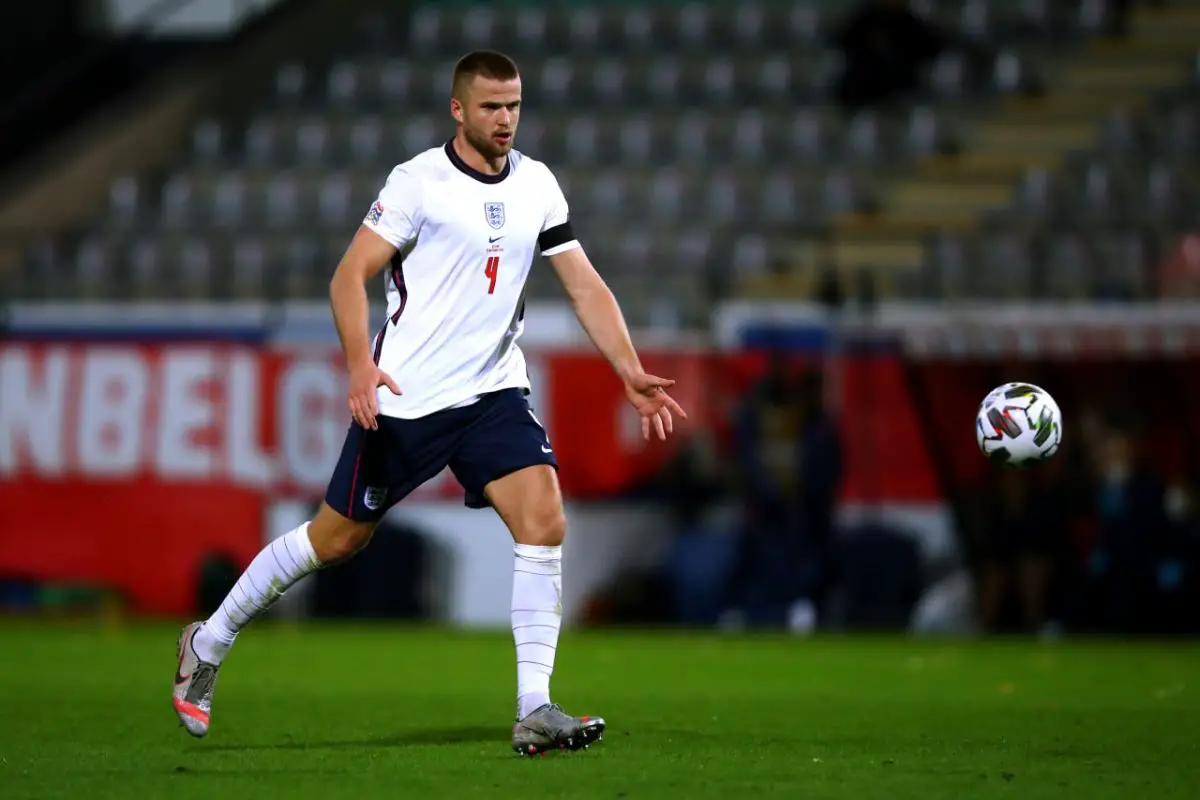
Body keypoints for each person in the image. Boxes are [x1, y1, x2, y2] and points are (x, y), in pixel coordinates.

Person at [171, 50, 687, 756]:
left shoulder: (537, 184)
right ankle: (210, 639)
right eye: (490, 107)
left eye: (514, 106)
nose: (505, 120)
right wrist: (359, 365)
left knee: (544, 519)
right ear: (458, 109)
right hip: (406, 397)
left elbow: (584, 283)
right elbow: (350, 276)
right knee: (338, 540)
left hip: (493, 393)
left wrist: (628, 368)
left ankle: (534, 705)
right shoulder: (418, 183)